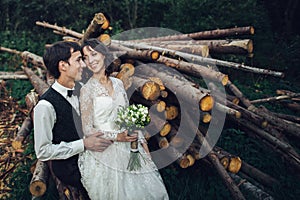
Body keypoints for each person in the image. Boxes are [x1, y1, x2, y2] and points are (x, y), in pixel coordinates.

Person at [78, 38, 169, 200]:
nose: (90, 60)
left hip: (129, 145)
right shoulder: (87, 90)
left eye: (93, 54)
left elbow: (127, 117)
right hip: (105, 149)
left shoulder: (118, 83)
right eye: (85, 57)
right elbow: (87, 129)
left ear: (103, 54)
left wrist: (141, 142)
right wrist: (116, 137)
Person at [33, 41, 113, 199]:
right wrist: (83, 144)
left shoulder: (83, 88)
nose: (83, 64)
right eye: (78, 60)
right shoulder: (45, 106)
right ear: (63, 66)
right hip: (70, 166)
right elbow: (42, 151)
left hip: (92, 153)